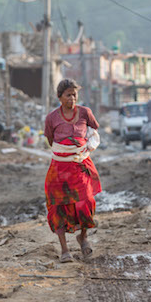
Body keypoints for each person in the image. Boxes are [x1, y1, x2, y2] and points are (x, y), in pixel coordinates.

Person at [44, 79, 102, 263]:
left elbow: (94, 130)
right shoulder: (51, 118)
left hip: (80, 165)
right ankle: (64, 250)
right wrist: (66, 152)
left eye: (74, 94)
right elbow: (50, 140)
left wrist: (81, 149)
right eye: (68, 94)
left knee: (87, 202)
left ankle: (83, 237)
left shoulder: (85, 113)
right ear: (59, 97)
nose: (72, 98)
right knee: (59, 206)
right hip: (60, 168)